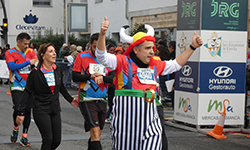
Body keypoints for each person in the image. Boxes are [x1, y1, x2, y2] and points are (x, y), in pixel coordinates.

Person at [96, 17, 203, 150]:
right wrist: (102, 34)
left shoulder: (154, 65)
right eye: (147, 48)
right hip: (126, 126)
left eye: (153, 48)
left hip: (150, 124)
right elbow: (102, 56)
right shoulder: (122, 62)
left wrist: (192, 47)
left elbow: (176, 64)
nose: (152, 51)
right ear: (135, 50)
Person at [16, 43, 78, 150]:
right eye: (50, 52)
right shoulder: (35, 73)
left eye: (54, 51)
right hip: (41, 109)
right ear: (43, 55)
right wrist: (21, 113)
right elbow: (27, 93)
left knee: (56, 141)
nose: (54, 54)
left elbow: (61, 87)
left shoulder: (57, 69)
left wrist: (71, 99)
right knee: (48, 139)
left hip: (54, 109)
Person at [72, 33, 115, 150]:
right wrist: (90, 76)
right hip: (87, 99)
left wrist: (102, 77)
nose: (97, 50)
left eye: (100, 48)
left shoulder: (107, 59)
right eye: (95, 47)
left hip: (102, 99)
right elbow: (74, 76)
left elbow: (112, 78)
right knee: (95, 132)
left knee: (96, 134)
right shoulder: (82, 56)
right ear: (90, 44)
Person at [5, 32, 38, 146]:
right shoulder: (10, 52)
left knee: (28, 110)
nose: (27, 46)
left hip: (29, 86)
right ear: (18, 42)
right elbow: (12, 66)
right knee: (19, 109)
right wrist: (28, 62)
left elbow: (36, 63)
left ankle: (24, 136)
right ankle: (15, 128)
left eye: (28, 44)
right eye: (25, 44)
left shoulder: (31, 51)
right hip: (16, 85)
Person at [167, 41, 176, 109]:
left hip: (173, 79)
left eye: (168, 47)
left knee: (173, 95)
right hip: (170, 78)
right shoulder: (170, 55)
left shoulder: (174, 55)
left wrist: (174, 84)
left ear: (172, 47)